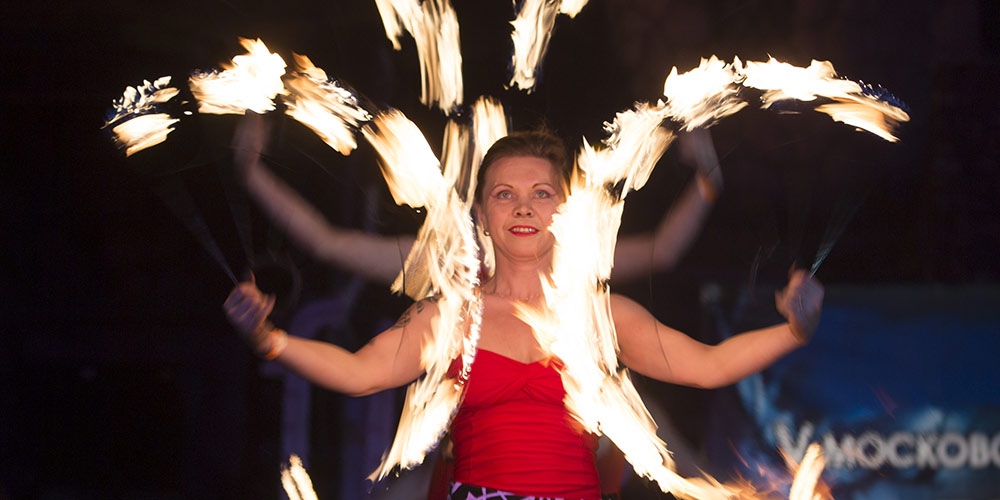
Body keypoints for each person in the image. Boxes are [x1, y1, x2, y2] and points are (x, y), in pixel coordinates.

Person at [224, 129, 823, 500]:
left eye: (542, 193)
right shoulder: (452, 314)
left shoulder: (600, 313)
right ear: (481, 213)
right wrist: (271, 339)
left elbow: (710, 365)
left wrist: (794, 330)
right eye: (503, 194)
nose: (523, 208)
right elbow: (361, 372)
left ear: (565, 209)